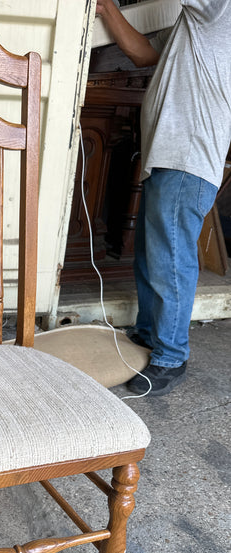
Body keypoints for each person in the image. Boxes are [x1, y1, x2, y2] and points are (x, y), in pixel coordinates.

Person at [95, 0, 231, 395]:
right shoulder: (191, 28)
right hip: (170, 157)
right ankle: (148, 334)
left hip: (187, 158)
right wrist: (107, 10)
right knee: (153, 256)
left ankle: (171, 357)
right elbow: (142, 53)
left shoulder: (219, 10)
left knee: (170, 261)